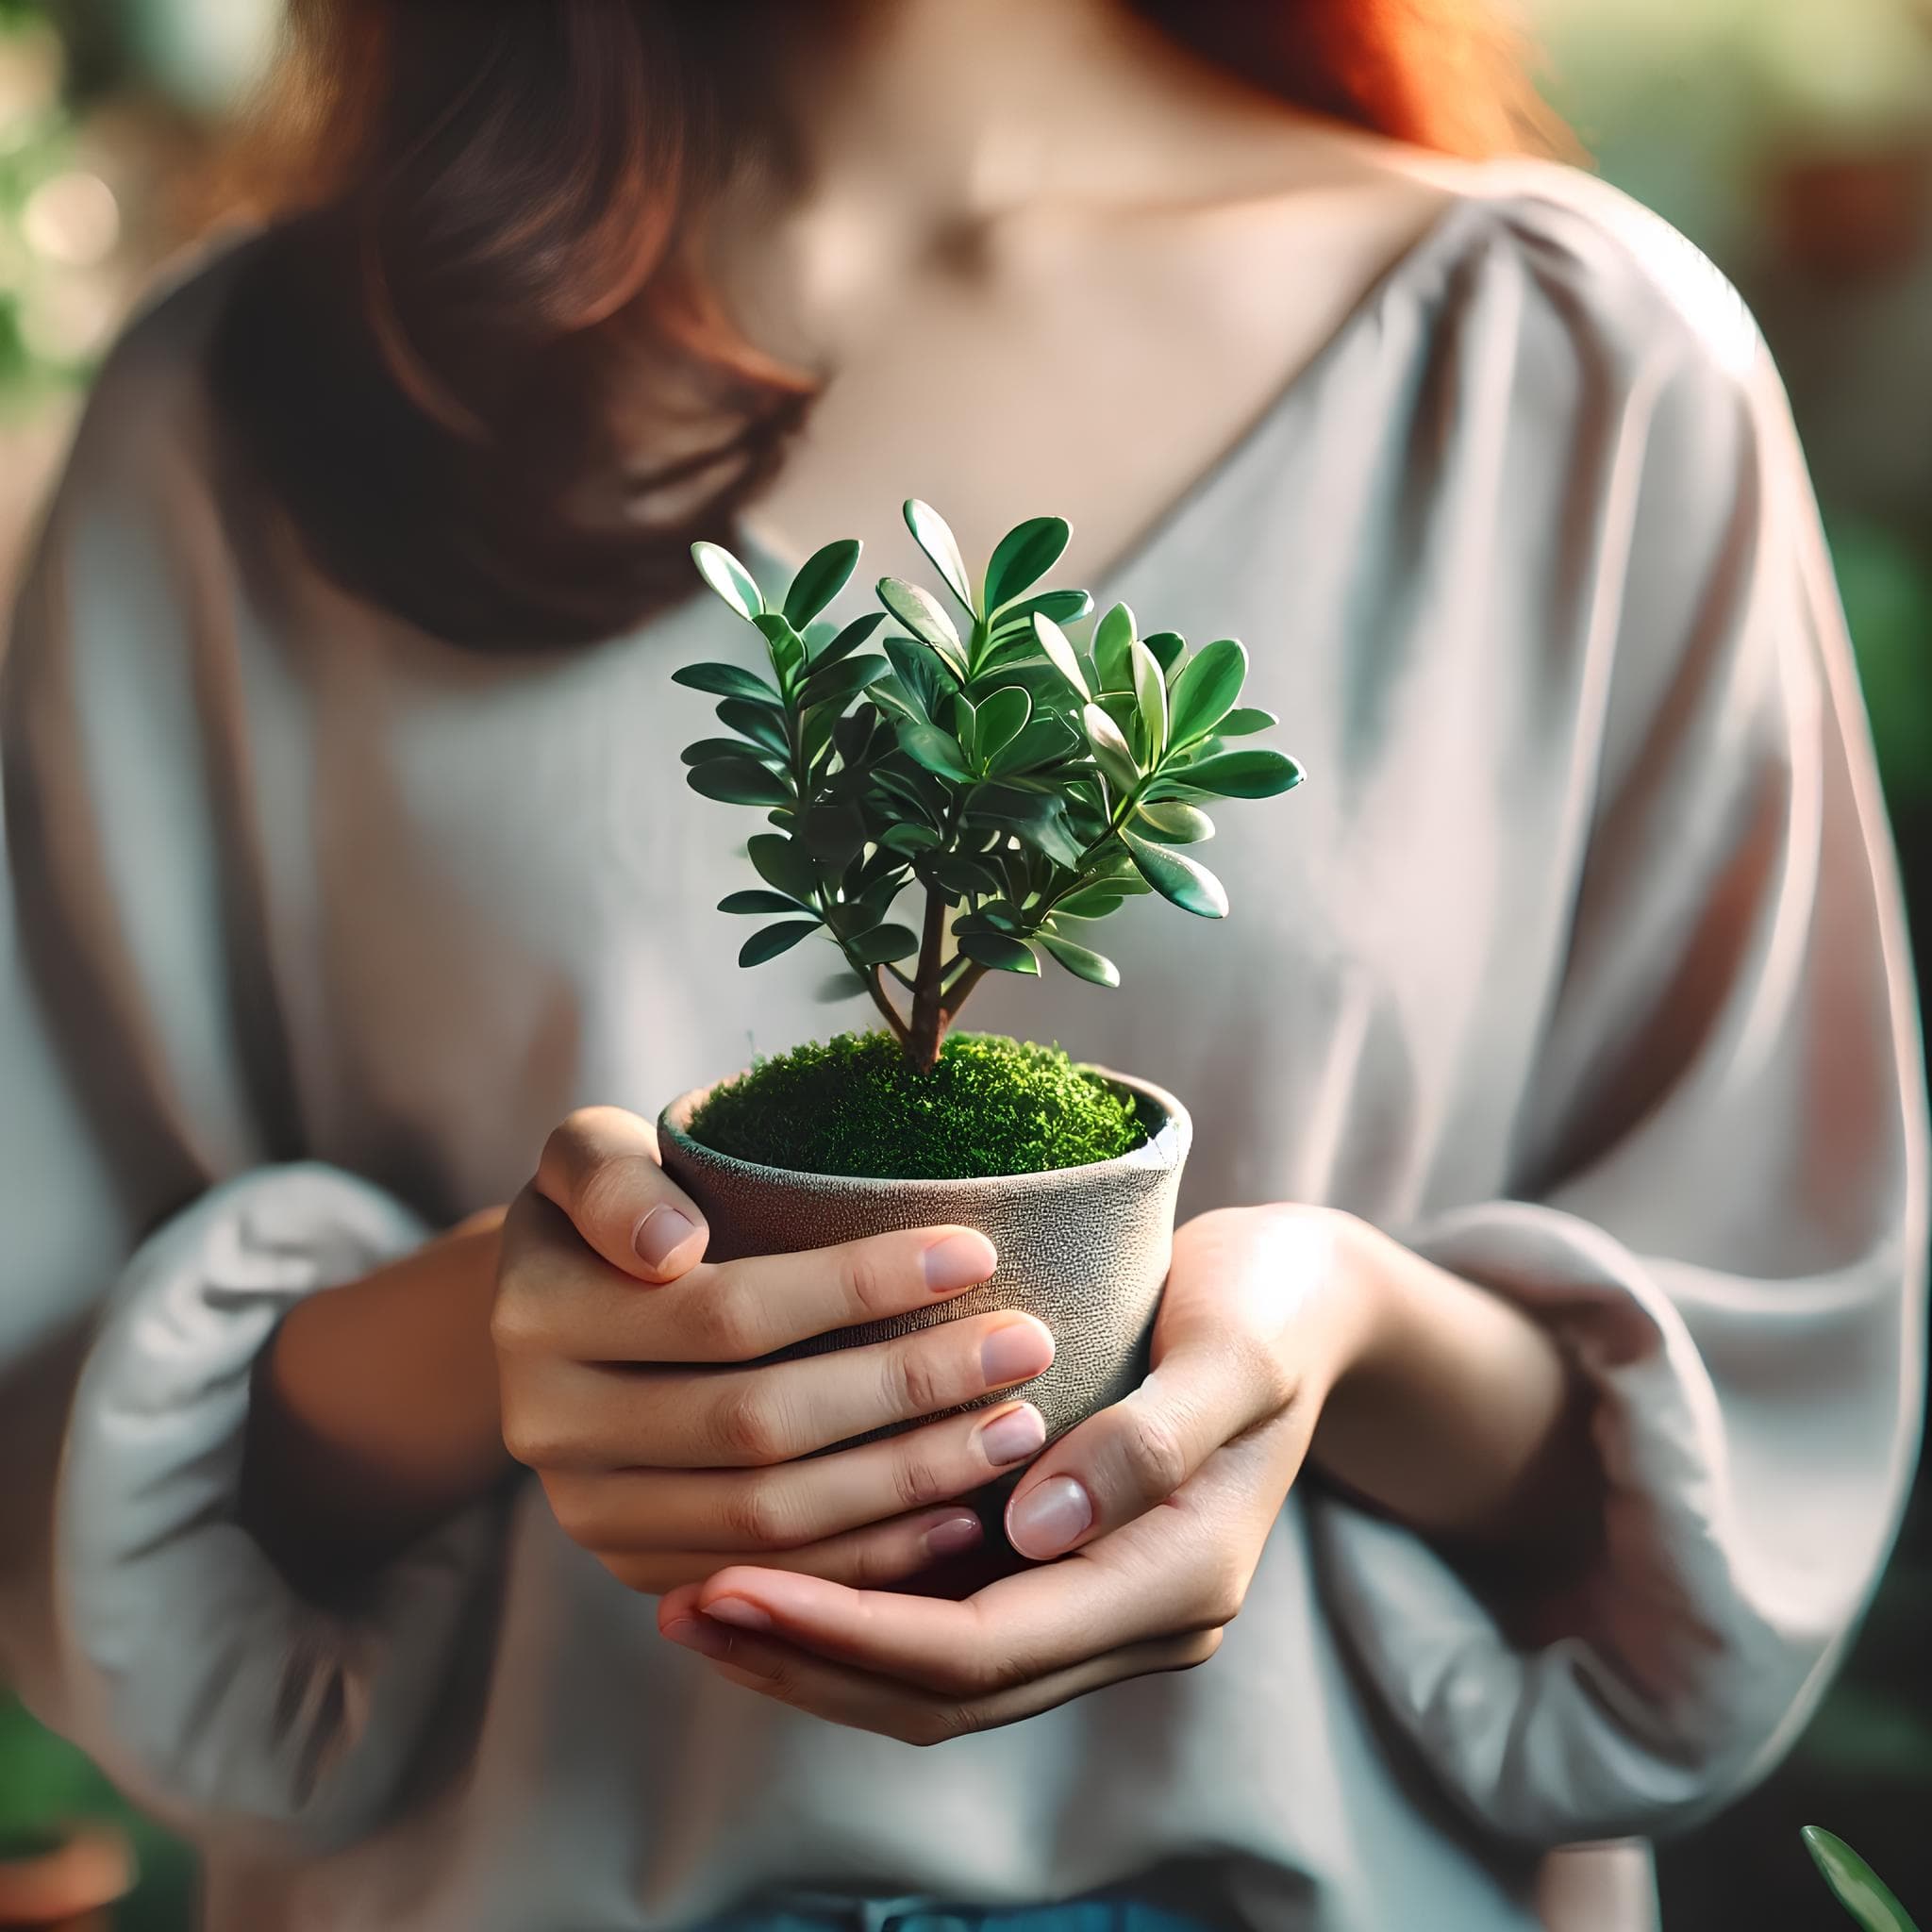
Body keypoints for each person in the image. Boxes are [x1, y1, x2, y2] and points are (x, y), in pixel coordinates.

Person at [2, 3, 1924, 1929]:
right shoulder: (265, 399)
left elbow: (1748, 1457)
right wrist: (487, 1349)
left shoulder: (1573, 364)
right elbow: (42, 1431)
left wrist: (1347, 1334)